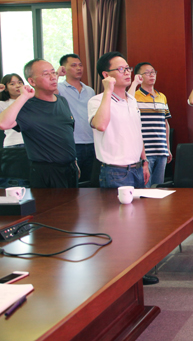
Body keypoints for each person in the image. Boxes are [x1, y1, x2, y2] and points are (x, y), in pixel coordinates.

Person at [88, 52, 158, 285]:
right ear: (106, 75)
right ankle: (119, 276)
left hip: (137, 168)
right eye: (121, 69)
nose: (127, 72)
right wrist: (108, 92)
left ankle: (137, 271)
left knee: (138, 225)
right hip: (115, 172)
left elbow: (138, 134)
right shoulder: (97, 101)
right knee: (118, 228)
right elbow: (100, 125)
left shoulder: (132, 100)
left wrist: (145, 161)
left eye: (128, 68)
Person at [0, 60, 78, 188]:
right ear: (32, 81)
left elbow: (67, 136)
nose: (53, 77)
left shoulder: (62, 101)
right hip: (45, 172)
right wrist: (23, 96)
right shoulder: (26, 106)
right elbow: (3, 123)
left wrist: (74, 162)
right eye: (46, 74)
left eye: (53, 72)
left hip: (70, 169)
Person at [57, 54, 96, 183]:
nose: (79, 68)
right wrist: (57, 75)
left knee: (90, 182)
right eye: (73, 65)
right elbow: (47, 92)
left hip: (92, 142)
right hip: (72, 143)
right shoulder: (59, 88)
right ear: (63, 68)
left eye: (80, 65)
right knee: (73, 182)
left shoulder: (89, 90)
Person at [131, 62, 172, 187]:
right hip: (145, 151)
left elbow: (165, 123)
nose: (152, 75)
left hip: (161, 150)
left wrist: (167, 147)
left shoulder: (162, 97)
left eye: (153, 72)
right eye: (147, 73)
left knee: (158, 188)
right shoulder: (134, 96)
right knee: (145, 187)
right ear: (139, 76)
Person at [0, 74, 30, 187]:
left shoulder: (30, 100)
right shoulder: (3, 103)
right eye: (12, 84)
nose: (17, 86)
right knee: (16, 183)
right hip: (13, 146)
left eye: (19, 82)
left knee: (32, 183)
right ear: (5, 88)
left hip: (32, 145)